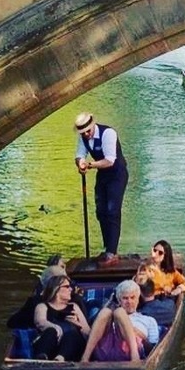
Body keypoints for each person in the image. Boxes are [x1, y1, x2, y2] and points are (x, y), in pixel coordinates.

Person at [74, 112, 129, 263]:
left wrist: (89, 165)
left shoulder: (108, 133)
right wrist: (80, 164)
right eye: (82, 132)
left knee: (112, 211)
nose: (86, 134)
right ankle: (107, 249)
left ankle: (112, 252)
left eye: (88, 131)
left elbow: (110, 160)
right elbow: (79, 155)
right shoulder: (83, 137)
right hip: (103, 175)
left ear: (93, 126)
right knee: (101, 211)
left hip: (117, 174)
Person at [80, 279, 160, 363]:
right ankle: (85, 358)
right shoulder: (111, 316)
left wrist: (136, 333)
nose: (129, 301)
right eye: (125, 298)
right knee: (107, 312)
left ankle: (134, 357)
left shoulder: (149, 320)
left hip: (130, 349)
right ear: (119, 300)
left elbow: (154, 349)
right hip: (106, 349)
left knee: (119, 312)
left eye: (132, 297)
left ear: (138, 299)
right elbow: (93, 334)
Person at [32, 274, 91, 361]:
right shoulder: (43, 306)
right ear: (56, 289)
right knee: (51, 331)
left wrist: (78, 325)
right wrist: (56, 328)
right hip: (51, 344)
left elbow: (89, 333)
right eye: (67, 286)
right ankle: (42, 358)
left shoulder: (74, 307)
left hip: (71, 348)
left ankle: (59, 359)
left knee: (72, 334)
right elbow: (40, 322)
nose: (71, 289)